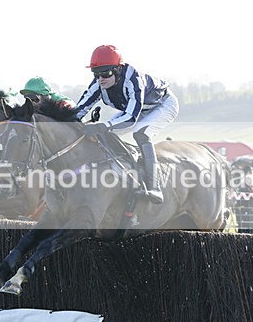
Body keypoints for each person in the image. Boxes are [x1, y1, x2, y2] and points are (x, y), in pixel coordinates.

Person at [74, 45, 179, 204]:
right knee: (106, 135)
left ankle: (154, 186)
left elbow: (130, 118)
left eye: (106, 73)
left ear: (118, 70)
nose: (100, 78)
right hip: (137, 108)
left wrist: (103, 126)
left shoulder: (133, 80)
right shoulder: (98, 84)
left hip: (163, 105)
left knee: (140, 133)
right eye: (96, 74)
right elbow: (79, 110)